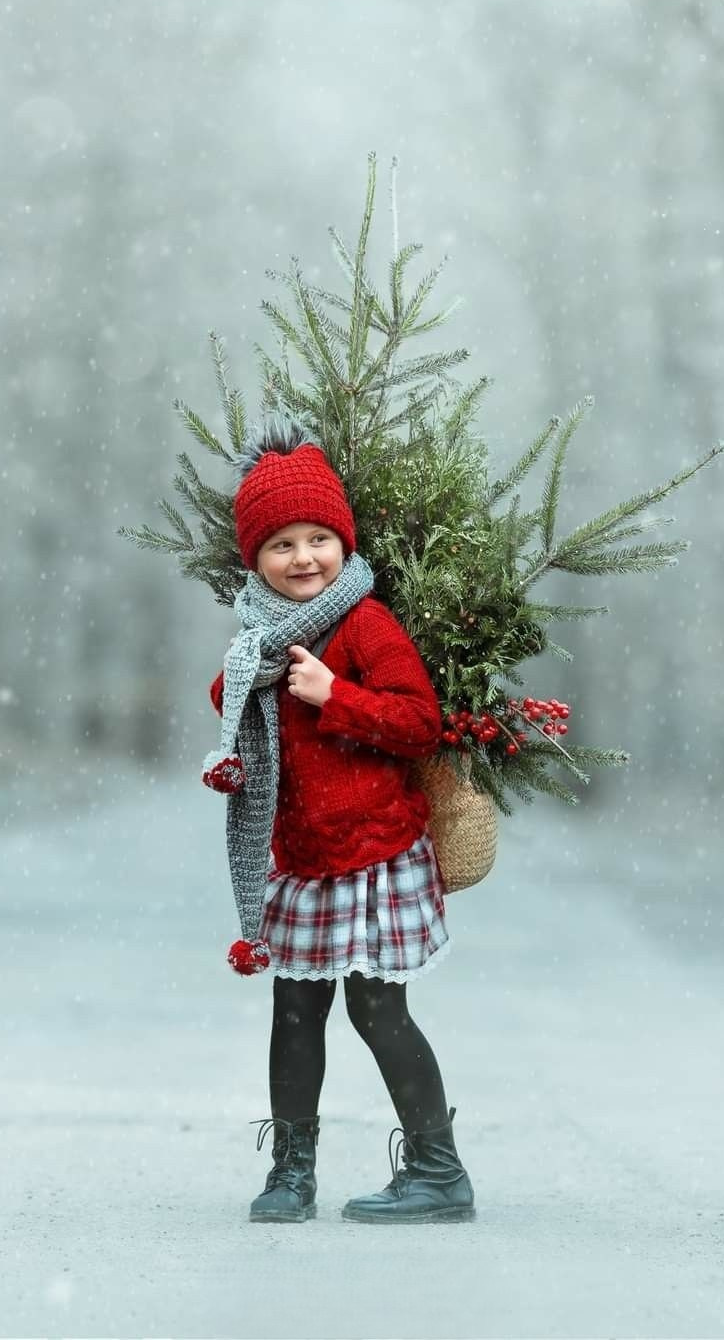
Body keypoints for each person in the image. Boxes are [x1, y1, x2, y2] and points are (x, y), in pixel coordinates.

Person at [202, 413, 475, 1226]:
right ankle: (291, 1172)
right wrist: (247, 678)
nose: (303, 558)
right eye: (281, 545)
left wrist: (335, 697)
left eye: (318, 537)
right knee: (294, 1014)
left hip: (375, 849)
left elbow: (418, 721)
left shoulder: (365, 623)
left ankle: (439, 1170)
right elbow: (229, 701)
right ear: (256, 559)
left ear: (343, 543)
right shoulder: (258, 638)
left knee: (377, 1011)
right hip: (303, 858)